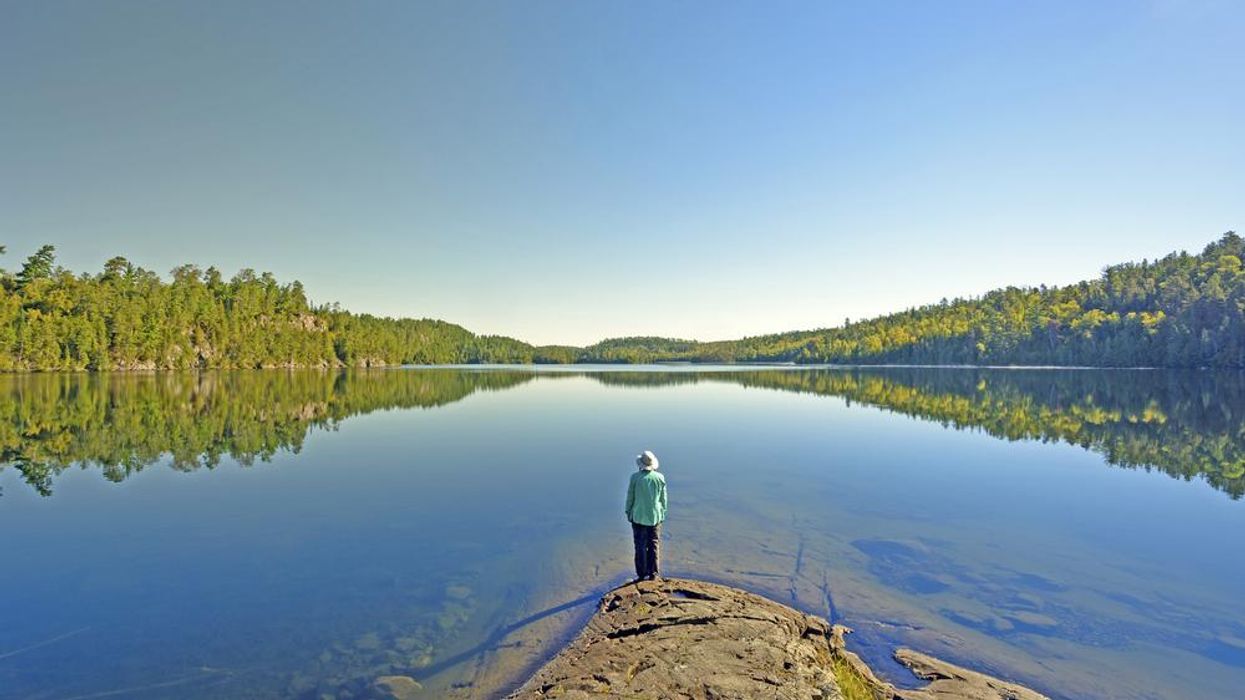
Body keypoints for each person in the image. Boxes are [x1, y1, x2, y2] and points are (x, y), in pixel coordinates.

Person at [625, 449, 667, 581]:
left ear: (640, 465)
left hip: (638, 516)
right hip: (655, 517)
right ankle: (653, 573)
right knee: (654, 544)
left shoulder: (635, 478)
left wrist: (628, 512)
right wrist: (663, 513)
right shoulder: (660, 478)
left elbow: (630, 497)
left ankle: (642, 574)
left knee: (640, 545)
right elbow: (663, 499)